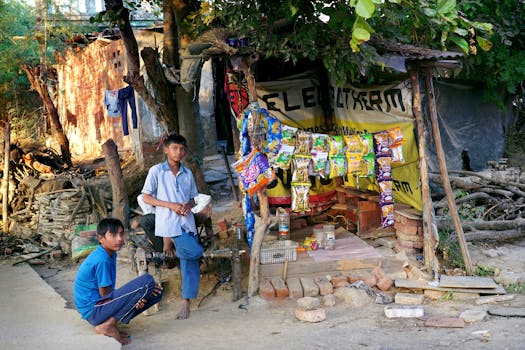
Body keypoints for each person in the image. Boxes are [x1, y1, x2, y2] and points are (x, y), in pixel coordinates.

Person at [141, 133, 204, 320]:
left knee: (188, 260)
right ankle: (173, 248)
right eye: (175, 148)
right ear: (166, 149)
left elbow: (194, 197)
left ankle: (186, 302)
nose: (179, 152)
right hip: (168, 223)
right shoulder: (156, 172)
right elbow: (146, 197)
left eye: (182, 149)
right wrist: (171, 205)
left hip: (187, 222)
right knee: (195, 253)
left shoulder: (188, 174)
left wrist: (188, 205)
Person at [74, 218, 163, 345]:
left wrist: (135, 299)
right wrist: (131, 299)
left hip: (98, 307)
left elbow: (109, 294)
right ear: (101, 239)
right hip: (93, 310)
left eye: (121, 234)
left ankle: (108, 322)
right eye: (113, 235)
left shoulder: (110, 253)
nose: (120, 238)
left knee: (156, 292)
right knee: (147, 281)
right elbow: (105, 295)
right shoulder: (102, 259)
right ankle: (107, 325)